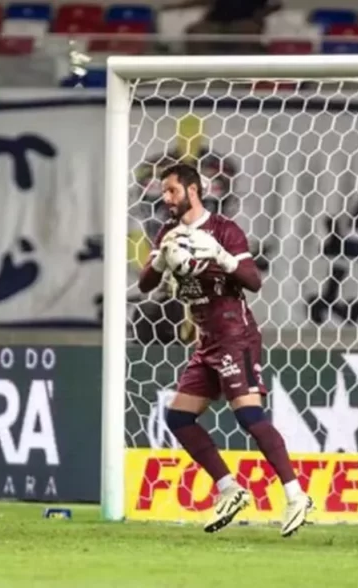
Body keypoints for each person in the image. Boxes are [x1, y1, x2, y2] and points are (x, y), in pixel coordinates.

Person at [137, 162, 313, 537]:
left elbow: (253, 281)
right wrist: (160, 256)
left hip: (236, 335)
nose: (165, 198)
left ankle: (296, 495)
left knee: (249, 416)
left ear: (192, 190)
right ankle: (229, 489)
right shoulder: (169, 232)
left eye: (171, 191)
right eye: (164, 192)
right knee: (179, 418)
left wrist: (221, 255)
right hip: (207, 340)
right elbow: (145, 281)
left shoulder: (224, 230)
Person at [164, 0, 280, 54]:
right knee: (194, 31)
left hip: (245, 20)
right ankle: (200, 72)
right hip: (216, 21)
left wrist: (259, 16)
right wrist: (177, 6)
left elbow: (276, 4)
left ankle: (242, 73)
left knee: (248, 32)